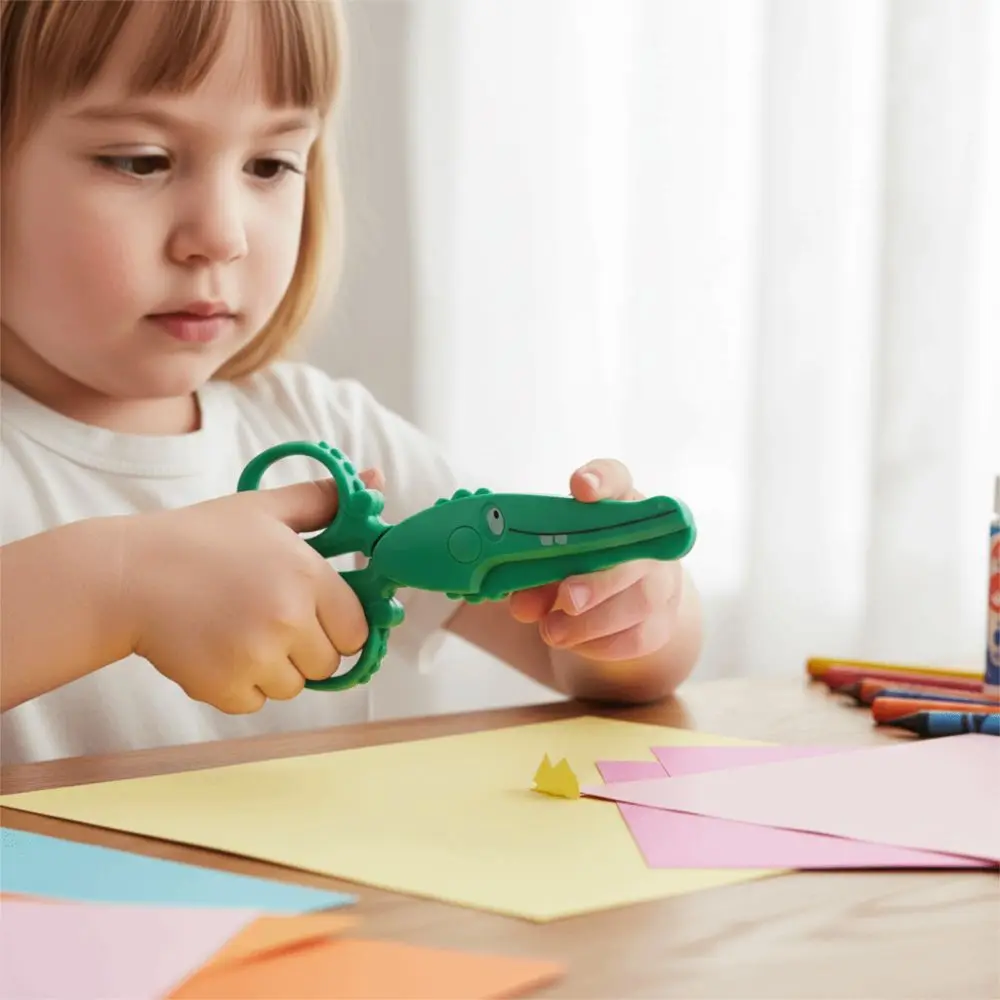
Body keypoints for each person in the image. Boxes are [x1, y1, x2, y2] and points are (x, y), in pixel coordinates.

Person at [0, 0, 703, 765]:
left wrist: (627, 613)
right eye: (140, 160)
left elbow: (581, 665)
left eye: (269, 164)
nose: (223, 235)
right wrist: (117, 585)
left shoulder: (325, 431)